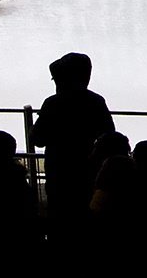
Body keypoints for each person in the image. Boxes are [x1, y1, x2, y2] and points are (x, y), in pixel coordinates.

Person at [34, 54, 118, 225]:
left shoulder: (52, 103)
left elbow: (38, 138)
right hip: (87, 174)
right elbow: (109, 136)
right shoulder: (96, 101)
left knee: (60, 220)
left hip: (59, 173)